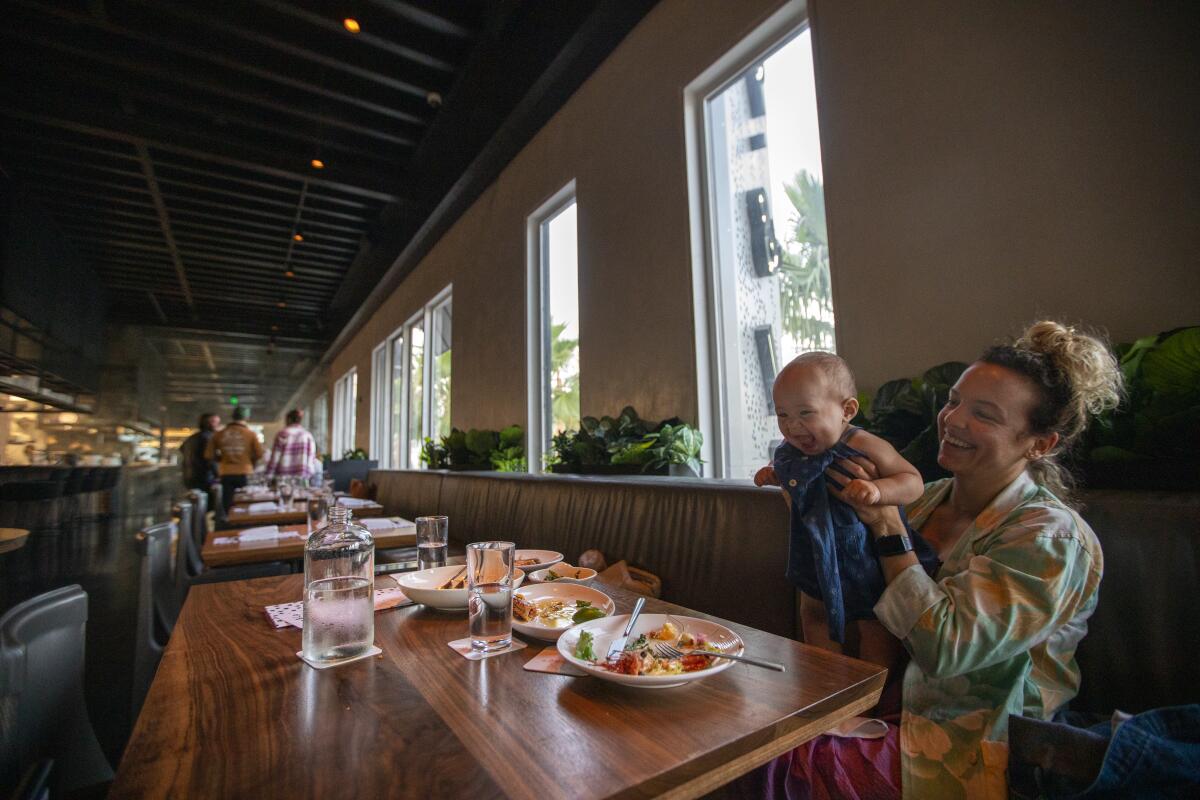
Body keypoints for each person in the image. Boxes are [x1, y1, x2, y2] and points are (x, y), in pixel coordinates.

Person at [759, 321, 1123, 799]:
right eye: (953, 401)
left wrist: (889, 530)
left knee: (773, 763)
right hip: (883, 705)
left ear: (1040, 443)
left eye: (984, 415)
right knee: (732, 729)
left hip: (970, 743)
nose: (953, 420)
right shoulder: (927, 499)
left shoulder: (1052, 538)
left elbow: (945, 651)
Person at [753, 352, 938, 673]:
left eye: (806, 413)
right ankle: (825, 683)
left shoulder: (864, 444)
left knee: (874, 624)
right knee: (813, 617)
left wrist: (879, 491)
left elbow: (913, 482)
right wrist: (773, 474)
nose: (792, 426)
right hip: (813, 553)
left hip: (865, 557)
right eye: (782, 415)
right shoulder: (792, 450)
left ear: (847, 410)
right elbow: (794, 479)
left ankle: (871, 694)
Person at [204, 406, 264, 514]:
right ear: (247, 417)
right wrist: (247, 459)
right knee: (245, 505)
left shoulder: (219, 434)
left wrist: (223, 458)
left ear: (232, 416)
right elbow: (259, 454)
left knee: (228, 504)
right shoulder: (250, 434)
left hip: (226, 473)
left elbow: (208, 455)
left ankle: (229, 525)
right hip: (245, 473)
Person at [264, 408, 317, 482]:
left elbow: (275, 458)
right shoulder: (308, 436)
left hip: (283, 479)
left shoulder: (282, 434)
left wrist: (268, 475)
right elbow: (312, 459)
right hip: (302, 479)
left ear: (289, 419)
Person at [179, 412, 219, 493]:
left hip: (189, 476)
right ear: (209, 423)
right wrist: (218, 475)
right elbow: (210, 460)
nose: (217, 425)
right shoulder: (209, 439)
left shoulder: (191, 438)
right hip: (205, 478)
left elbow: (182, 449)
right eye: (215, 422)